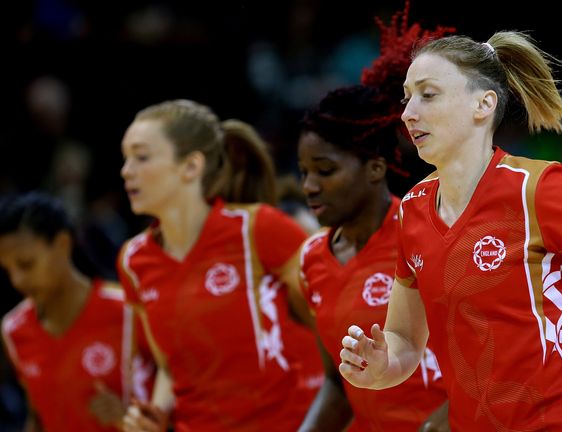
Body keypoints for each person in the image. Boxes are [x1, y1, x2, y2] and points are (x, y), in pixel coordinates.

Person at [339, 32, 562, 431]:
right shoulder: (411, 209)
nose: (408, 112)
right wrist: (380, 365)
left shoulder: (539, 189)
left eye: (427, 95)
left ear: (483, 104)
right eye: (406, 97)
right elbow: (405, 341)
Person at [117, 99, 323, 431]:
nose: (126, 171)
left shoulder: (258, 228)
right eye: (126, 158)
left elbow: (329, 319)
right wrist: (153, 416)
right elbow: (170, 368)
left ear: (191, 166)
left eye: (141, 157)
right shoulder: (132, 260)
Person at [296, 5, 452, 431]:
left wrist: (446, 420)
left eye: (325, 171)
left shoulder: (430, 229)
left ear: (375, 168)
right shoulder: (311, 259)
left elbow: (497, 353)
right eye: (304, 171)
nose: (309, 185)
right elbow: (336, 381)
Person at [0, 192, 155, 431]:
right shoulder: (14, 329)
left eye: (26, 264)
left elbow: (170, 404)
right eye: (8, 270)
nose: (17, 280)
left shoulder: (128, 311)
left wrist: (128, 418)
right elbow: (37, 417)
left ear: (62, 243)